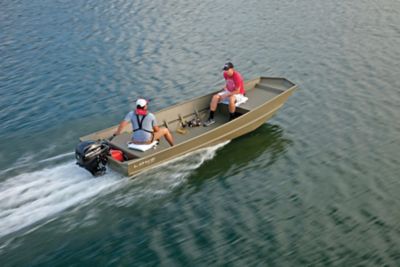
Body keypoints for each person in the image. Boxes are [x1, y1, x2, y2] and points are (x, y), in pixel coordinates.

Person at [204, 62, 246, 126]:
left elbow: (237, 91)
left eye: (227, 70)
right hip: (229, 91)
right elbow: (228, 83)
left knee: (231, 99)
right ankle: (211, 118)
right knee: (215, 97)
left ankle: (232, 117)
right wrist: (225, 89)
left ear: (232, 69)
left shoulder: (237, 76)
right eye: (225, 70)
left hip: (238, 93)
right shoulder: (225, 74)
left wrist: (226, 95)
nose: (226, 71)